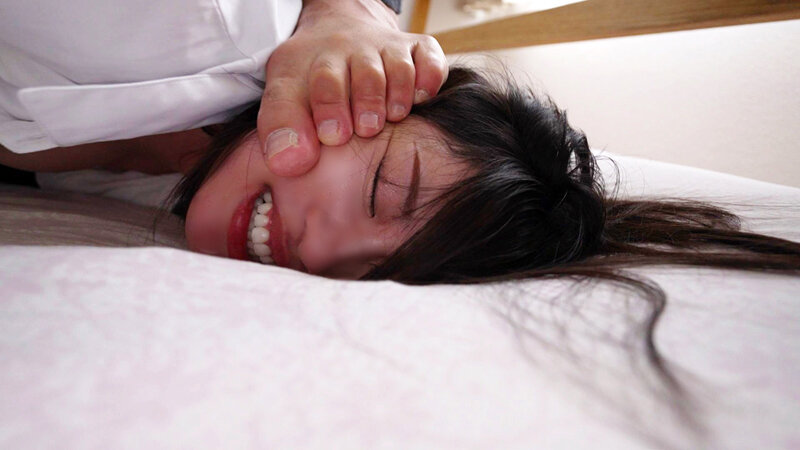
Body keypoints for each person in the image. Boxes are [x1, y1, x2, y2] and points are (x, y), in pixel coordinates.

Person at [0, 0, 447, 180]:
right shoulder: (199, 24)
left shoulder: (163, 195)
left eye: (368, 271)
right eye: (378, 191)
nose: (316, 255)